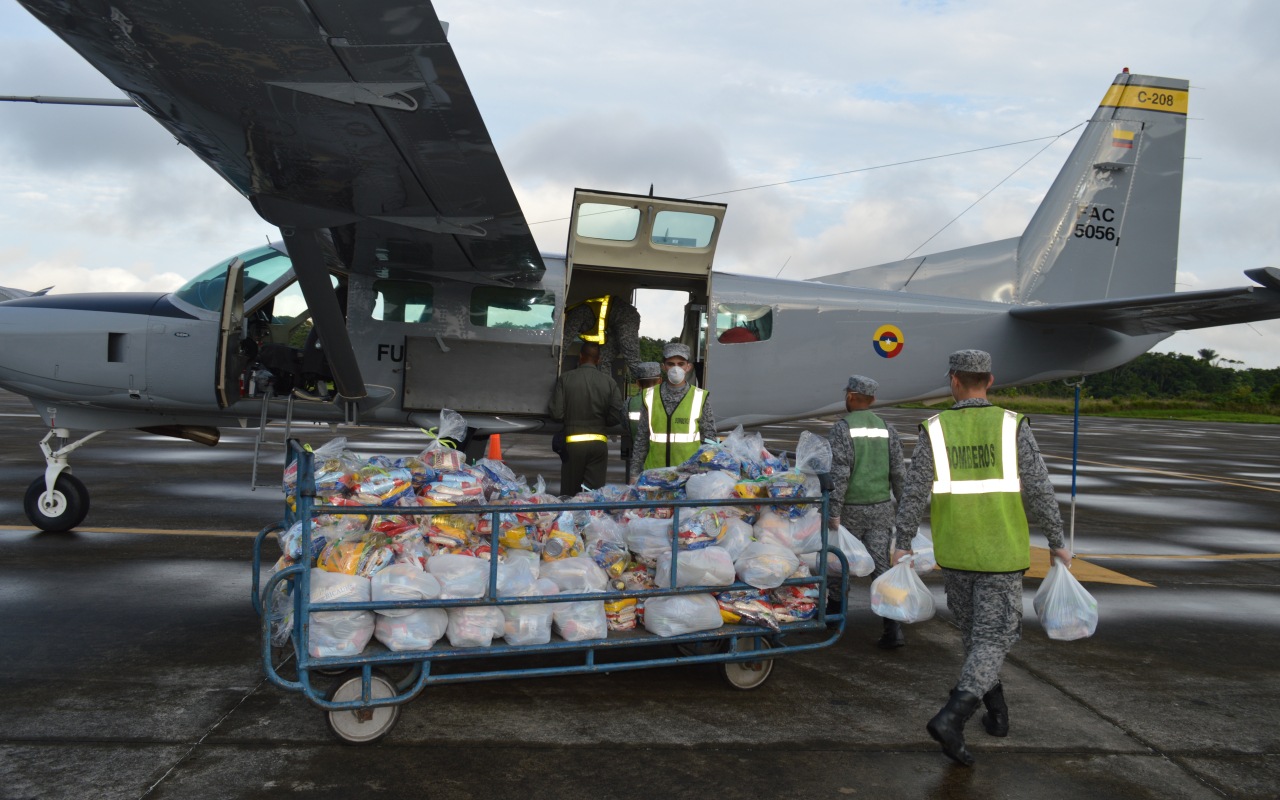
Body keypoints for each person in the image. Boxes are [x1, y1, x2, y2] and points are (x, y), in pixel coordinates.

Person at [892, 350, 1071, 767]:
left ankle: (997, 713)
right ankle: (953, 716)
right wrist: (1058, 541)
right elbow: (1041, 490)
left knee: (976, 636)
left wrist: (902, 541)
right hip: (1001, 552)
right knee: (995, 638)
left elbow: (914, 490)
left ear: (954, 381)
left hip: (955, 553)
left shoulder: (935, 429)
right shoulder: (1012, 425)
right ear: (989, 381)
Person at [825, 375, 907, 648]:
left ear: (850, 396)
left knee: (839, 565)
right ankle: (892, 628)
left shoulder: (842, 428)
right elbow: (898, 473)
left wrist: (833, 511)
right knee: (881, 568)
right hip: (882, 510)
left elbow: (840, 473)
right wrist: (905, 511)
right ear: (872, 400)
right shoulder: (887, 428)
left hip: (850, 511)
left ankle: (834, 620)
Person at [630, 343, 716, 476]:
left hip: (688, 475)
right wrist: (634, 474)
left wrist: (707, 472)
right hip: (654, 474)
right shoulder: (650, 396)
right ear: (663, 367)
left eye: (681, 363)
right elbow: (641, 440)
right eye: (671, 364)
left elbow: (709, 439)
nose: (676, 368)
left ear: (688, 367)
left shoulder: (700, 396)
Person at [549, 341, 623, 494]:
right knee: (594, 494)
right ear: (598, 360)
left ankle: (569, 517)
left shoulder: (566, 378)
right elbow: (616, 415)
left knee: (569, 494)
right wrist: (603, 422)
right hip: (598, 445)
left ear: (580, 356)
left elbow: (557, 414)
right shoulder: (609, 382)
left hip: (573, 446)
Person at [561, 295, 642, 376]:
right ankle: (605, 387)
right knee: (603, 358)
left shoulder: (574, 315)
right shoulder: (575, 314)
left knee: (632, 359)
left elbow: (564, 344)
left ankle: (649, 382)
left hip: (626, 317)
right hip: (613, 326)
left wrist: (555, 363)